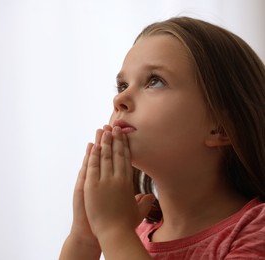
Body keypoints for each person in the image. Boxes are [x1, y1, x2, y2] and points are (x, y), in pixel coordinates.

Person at [59, 16, 265, 259]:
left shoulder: (255, 231)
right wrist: (84, 237)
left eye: (154, 81)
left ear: (220, 128)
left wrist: (113, 231)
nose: (119, 100)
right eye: (122, 86)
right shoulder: (131, 233)